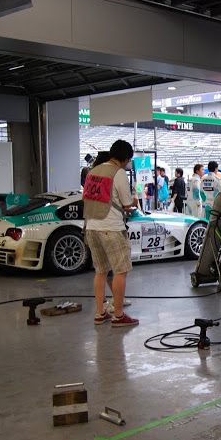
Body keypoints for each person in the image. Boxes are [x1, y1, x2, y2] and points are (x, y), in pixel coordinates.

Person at [82, 139, 138, 327]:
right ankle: (119, 315)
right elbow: (127, 202)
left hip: (91, 227)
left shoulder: (93, 172)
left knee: (100, 271)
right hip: (112, 227)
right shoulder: (118, 173)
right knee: (120, 271)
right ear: (125, 157)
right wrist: (134, 203)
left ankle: (100, 312)